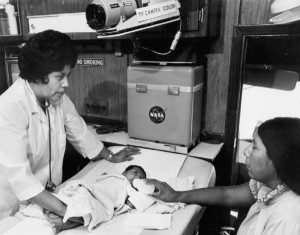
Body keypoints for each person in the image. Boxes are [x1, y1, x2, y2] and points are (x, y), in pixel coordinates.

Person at [0, 29, 140, 222]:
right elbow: (20, 179)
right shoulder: (10, 107)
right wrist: (70, 211)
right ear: (39, 74)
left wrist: (111, 156)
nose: (66, 84)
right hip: (13, 206)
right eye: (60, 76)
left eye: (68, 75)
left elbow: (80, 132)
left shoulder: (57, 98)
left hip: (47, 198)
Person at [147, 117, 300, 235]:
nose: (246, 152)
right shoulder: (272, 186)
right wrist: (176, 195)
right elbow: (226, 195)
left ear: (278, 160)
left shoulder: (287, 220)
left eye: (254, 147)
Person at [46, 165, 147, 233]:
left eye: (140, 178)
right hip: (94, 190)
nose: (137, 177)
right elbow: (99, 182)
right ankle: (61, 207)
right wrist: (105, 176)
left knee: (94, 211)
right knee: (81, 195)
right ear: (124, 172)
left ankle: (64, 224)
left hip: (105, 200)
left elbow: (131, 202)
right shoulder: (113, 176)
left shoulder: (130, 189)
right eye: (135, 172)